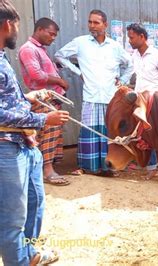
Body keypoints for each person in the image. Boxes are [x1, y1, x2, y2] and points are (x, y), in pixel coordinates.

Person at [0, 0, 70, 264]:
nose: (17, 30)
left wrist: (28, 97)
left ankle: (29, 254)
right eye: (16, 25)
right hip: (6, 148)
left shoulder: (2, 58)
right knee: (12, 218)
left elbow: (6, 101)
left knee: (34, 206)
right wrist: (43, 119)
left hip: (23, 145)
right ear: (8, 25)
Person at [55, 9, 133, 177]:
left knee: (109, 133)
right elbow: (60, 56)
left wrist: (123, 81)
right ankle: (88, 167)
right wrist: (78, 72)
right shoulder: (80, 42)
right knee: (89, 131)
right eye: (90, 22)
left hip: (110, 97)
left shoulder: (115, 47)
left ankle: (109, 167)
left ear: (105, 25)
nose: (92, 26)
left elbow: (130, 64)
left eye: (96, 22)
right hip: (91, 96)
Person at [18, 17, 70, 186]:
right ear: (39, 29)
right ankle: (47, 171)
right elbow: (37, 76)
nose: (53, 38)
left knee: (51, 134)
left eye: (55, 35)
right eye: (51, 34)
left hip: (50, 99)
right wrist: (59, 81)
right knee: (48, 133)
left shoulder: (40, 50)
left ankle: (45, 169)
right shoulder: (28, 49)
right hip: (43, 100)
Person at [127, 23, 158, 185]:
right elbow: (136, 78)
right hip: (141, 102)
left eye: (132, 38)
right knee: (146, 137)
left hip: (156, 103)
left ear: (142, 37)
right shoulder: (135, 56)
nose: (130, 41)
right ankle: (152, 168)